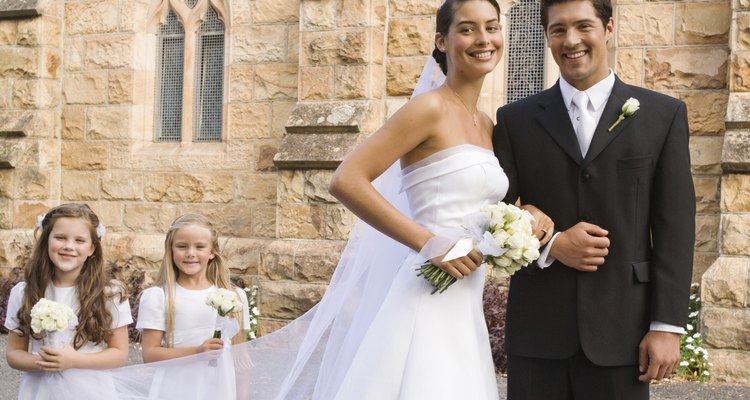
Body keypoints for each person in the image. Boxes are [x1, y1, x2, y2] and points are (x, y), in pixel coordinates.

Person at [276, 0, 552, 398]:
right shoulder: (428, 108)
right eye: (468, 29)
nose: (484, 39)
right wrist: (428, 242)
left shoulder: (489, 124)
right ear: (442, 40)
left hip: (465, 298)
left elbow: (484, 209)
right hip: (426, 295)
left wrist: (526, 215)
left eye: (491, 27)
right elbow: (347, 179)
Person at [492, 0, 695, 397]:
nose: (571, 41)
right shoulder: (514, 120)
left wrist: (666, 326)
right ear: (546, 35)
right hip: (538, 330)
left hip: (624, 331)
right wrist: (551, 244)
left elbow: (675, 226)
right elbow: (494, 211)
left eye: (583, 26)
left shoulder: (662, 115)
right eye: (557, 29)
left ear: (608, 28)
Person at [4, 203, 133, 399]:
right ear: (47, 240)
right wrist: (42, 361)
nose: (68, 246)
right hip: (40, 391)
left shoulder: (110, 293)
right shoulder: (24, 292)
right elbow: (14, 353)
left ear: (92, 248)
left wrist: (74, 360)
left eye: (79, 240)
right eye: (60, 237)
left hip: (91, 391)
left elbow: (120, 353)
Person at [133, 213, 251, 399]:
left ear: (212, 252)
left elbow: (241, 361)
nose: (190, 253)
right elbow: (150, 355)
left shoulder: (234, 297)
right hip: (174, 389)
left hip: (219, 388)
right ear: (171, 250)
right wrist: (197, 352)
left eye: (200, 247)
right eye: (181, 246)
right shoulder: (158, 296)